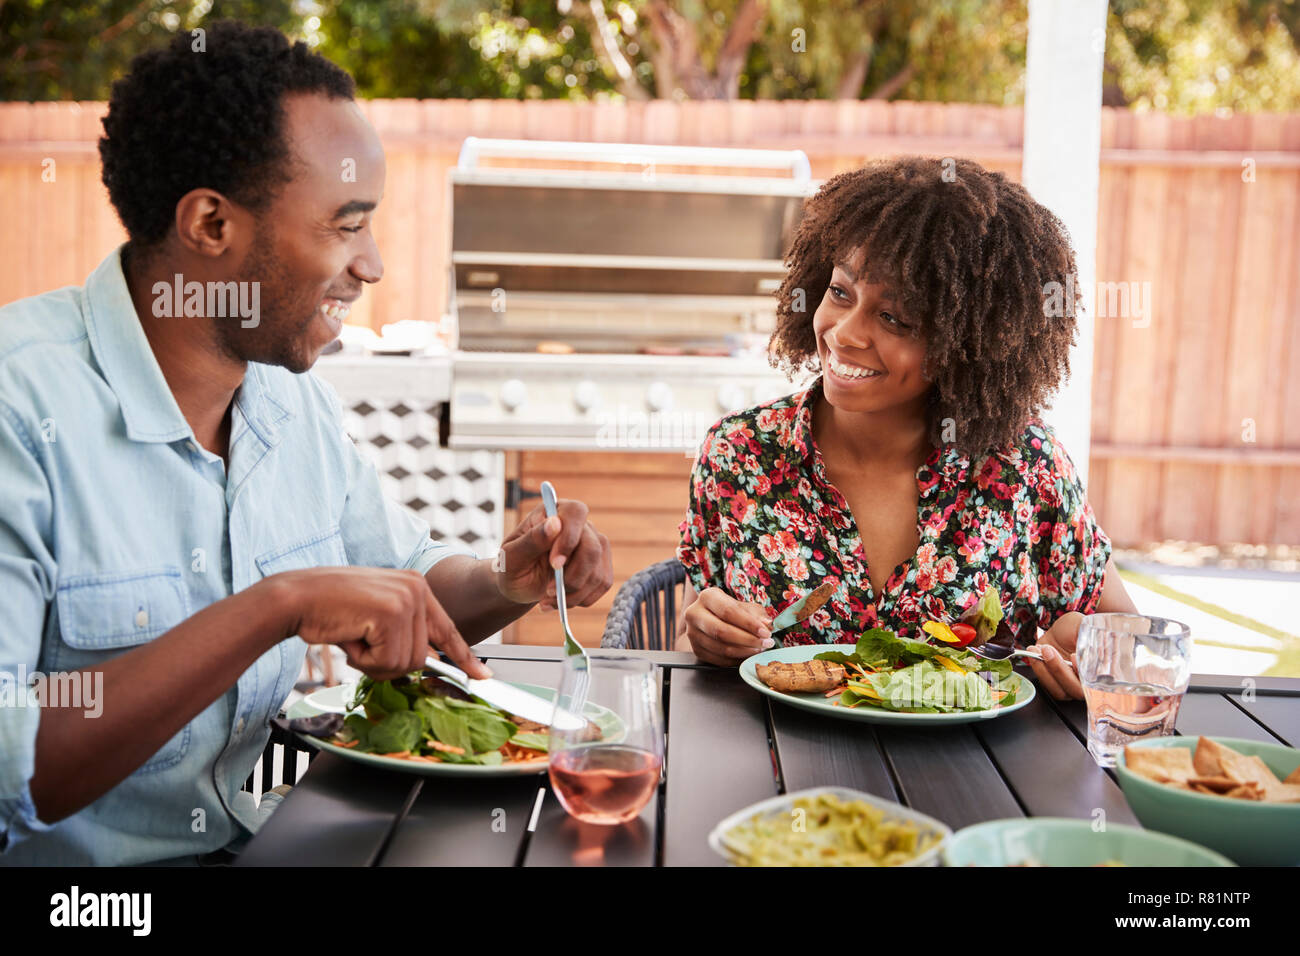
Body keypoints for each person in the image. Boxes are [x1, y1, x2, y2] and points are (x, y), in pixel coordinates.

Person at [0, 22, 612, 866]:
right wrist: (274, 607)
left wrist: (511, 576)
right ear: (211, 224)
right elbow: (12, 767)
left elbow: (406, 579)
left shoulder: (287, 399)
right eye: (345, 225)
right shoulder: (19, 407)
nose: (374, 265)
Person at [676, 156, 1137, 700]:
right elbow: (698, 647)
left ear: (967, 344)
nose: (845, 333)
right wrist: (706, 636)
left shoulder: (1024, 467)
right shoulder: (740, 455)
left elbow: (1129, 638)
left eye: (894, 318)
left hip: (974, 776)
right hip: (785, 774)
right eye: (842, 293)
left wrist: (1087, 649)